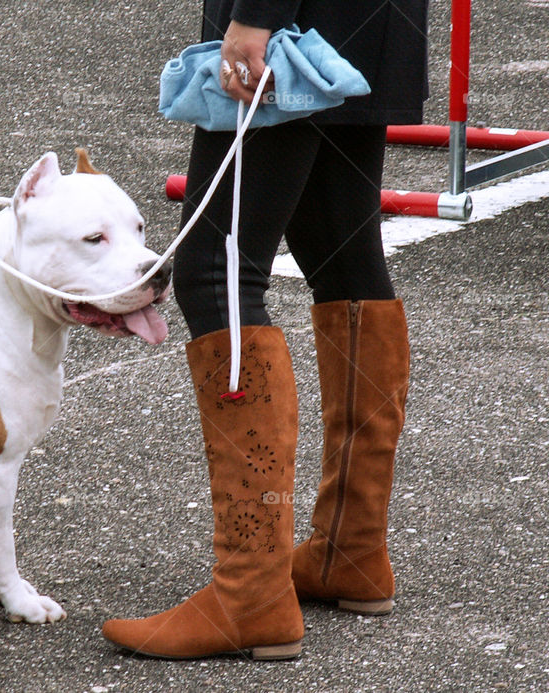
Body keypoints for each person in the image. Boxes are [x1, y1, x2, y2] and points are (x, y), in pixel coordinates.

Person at [102, 0, 428, 659]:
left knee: (215, 270)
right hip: (363, 21)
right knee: (343, 253)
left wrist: (257, 13)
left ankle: (252, 592)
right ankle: (351, 548)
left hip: (293, 24)